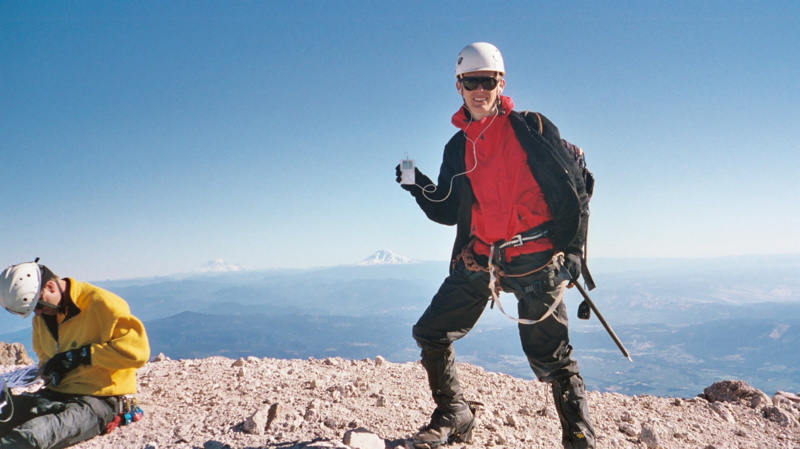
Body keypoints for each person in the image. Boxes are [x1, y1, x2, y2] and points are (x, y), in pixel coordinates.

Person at [395, 42, 595, 449]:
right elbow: (448, 210)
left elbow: (575, 192)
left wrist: (574, 253)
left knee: (552, 360)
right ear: (459, 86)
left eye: (487, 81)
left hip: (539, 263)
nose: (480, 90)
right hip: (481, 261)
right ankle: (454, 413)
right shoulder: (457, 147)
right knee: (431, 332)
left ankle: (579, 439)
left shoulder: (532, 128)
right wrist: (418, 185)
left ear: (501, 83)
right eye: (472, 82)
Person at [0, 260, 150, 449]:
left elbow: (137, 353)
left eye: (38, 305)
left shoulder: (102, 304)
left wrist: (82, 356)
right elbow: (43, 353)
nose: (37, 313)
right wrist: (49, 368)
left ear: (50, 286)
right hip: (55, 393)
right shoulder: (44, 316)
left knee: (30, 437)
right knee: (4, 414)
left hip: (98, 399)